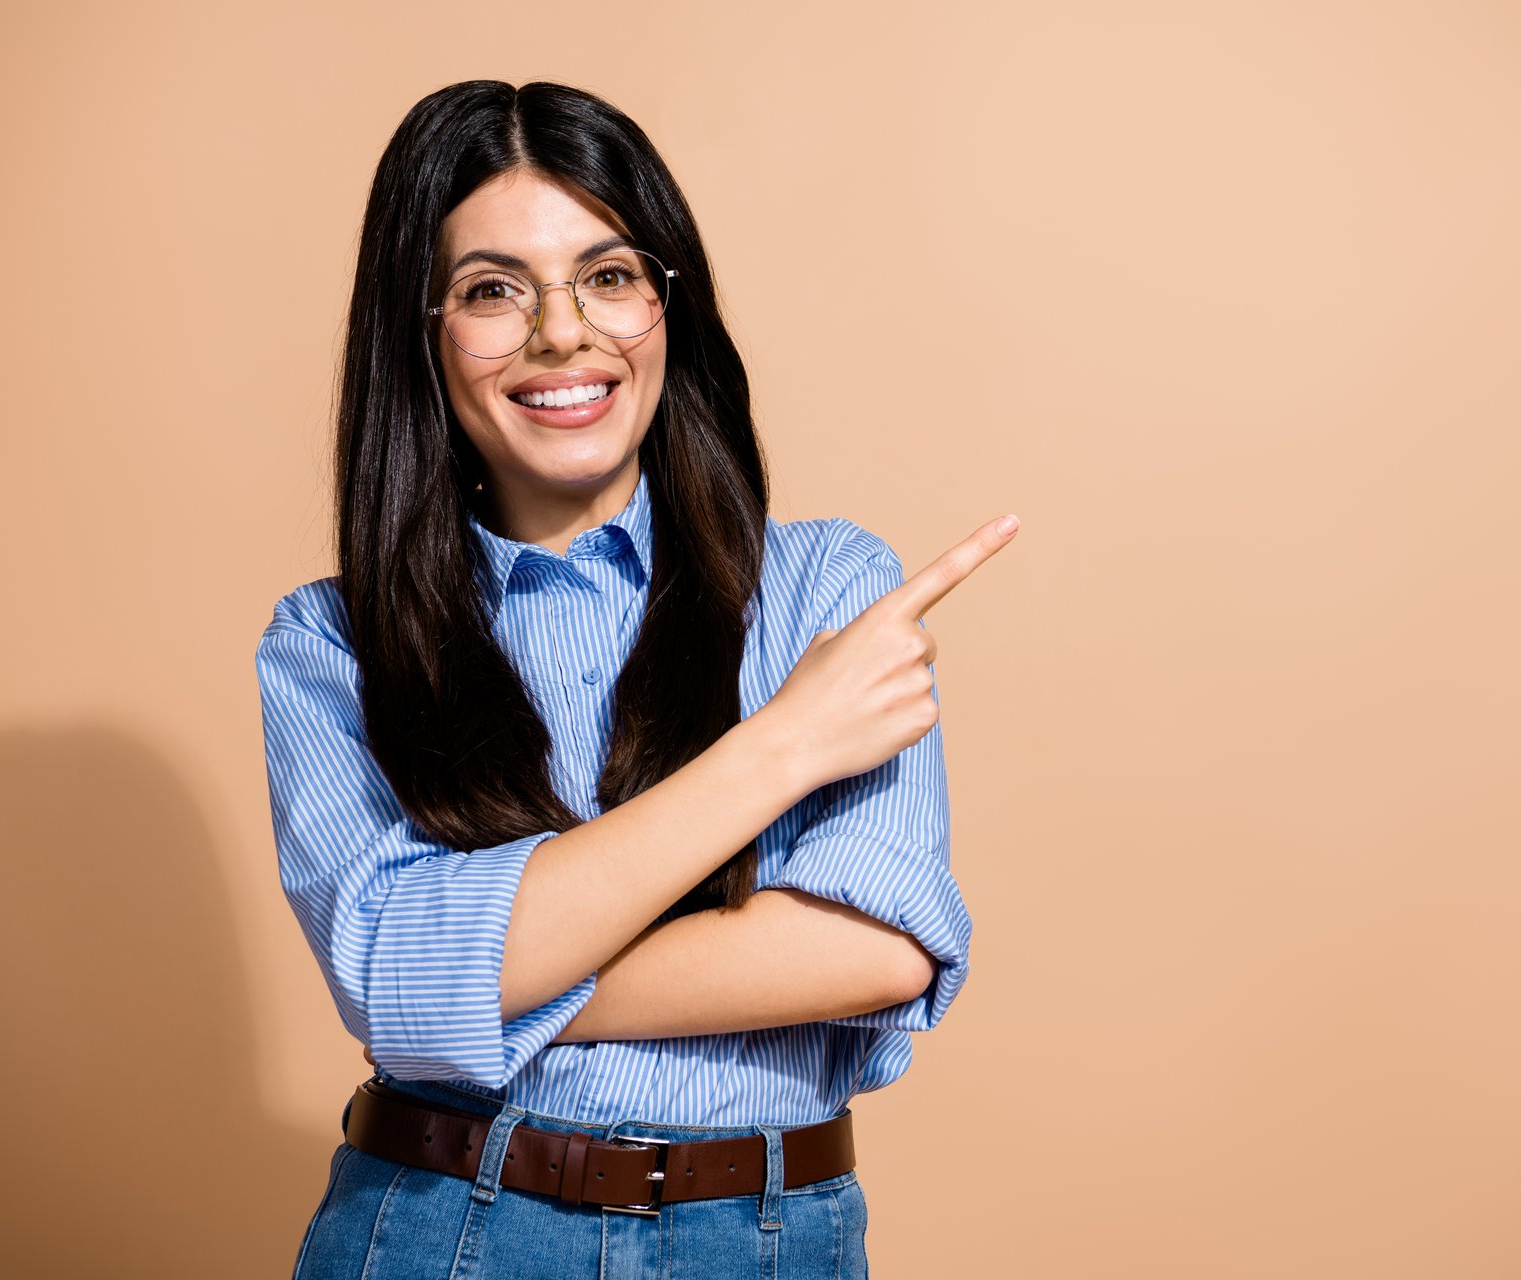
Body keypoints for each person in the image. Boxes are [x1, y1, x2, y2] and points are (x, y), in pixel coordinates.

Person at [253, 79, 1019, 1279]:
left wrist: (478, 976)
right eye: (493, 289)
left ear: (670, 306)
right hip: (440, 1227)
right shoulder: (333, 642)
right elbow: (390, 979)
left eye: (609, 276)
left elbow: (873, 949)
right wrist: (784, 745)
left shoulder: (824, 586)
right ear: (423, 330)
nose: (562, 333)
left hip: (764, 1236)